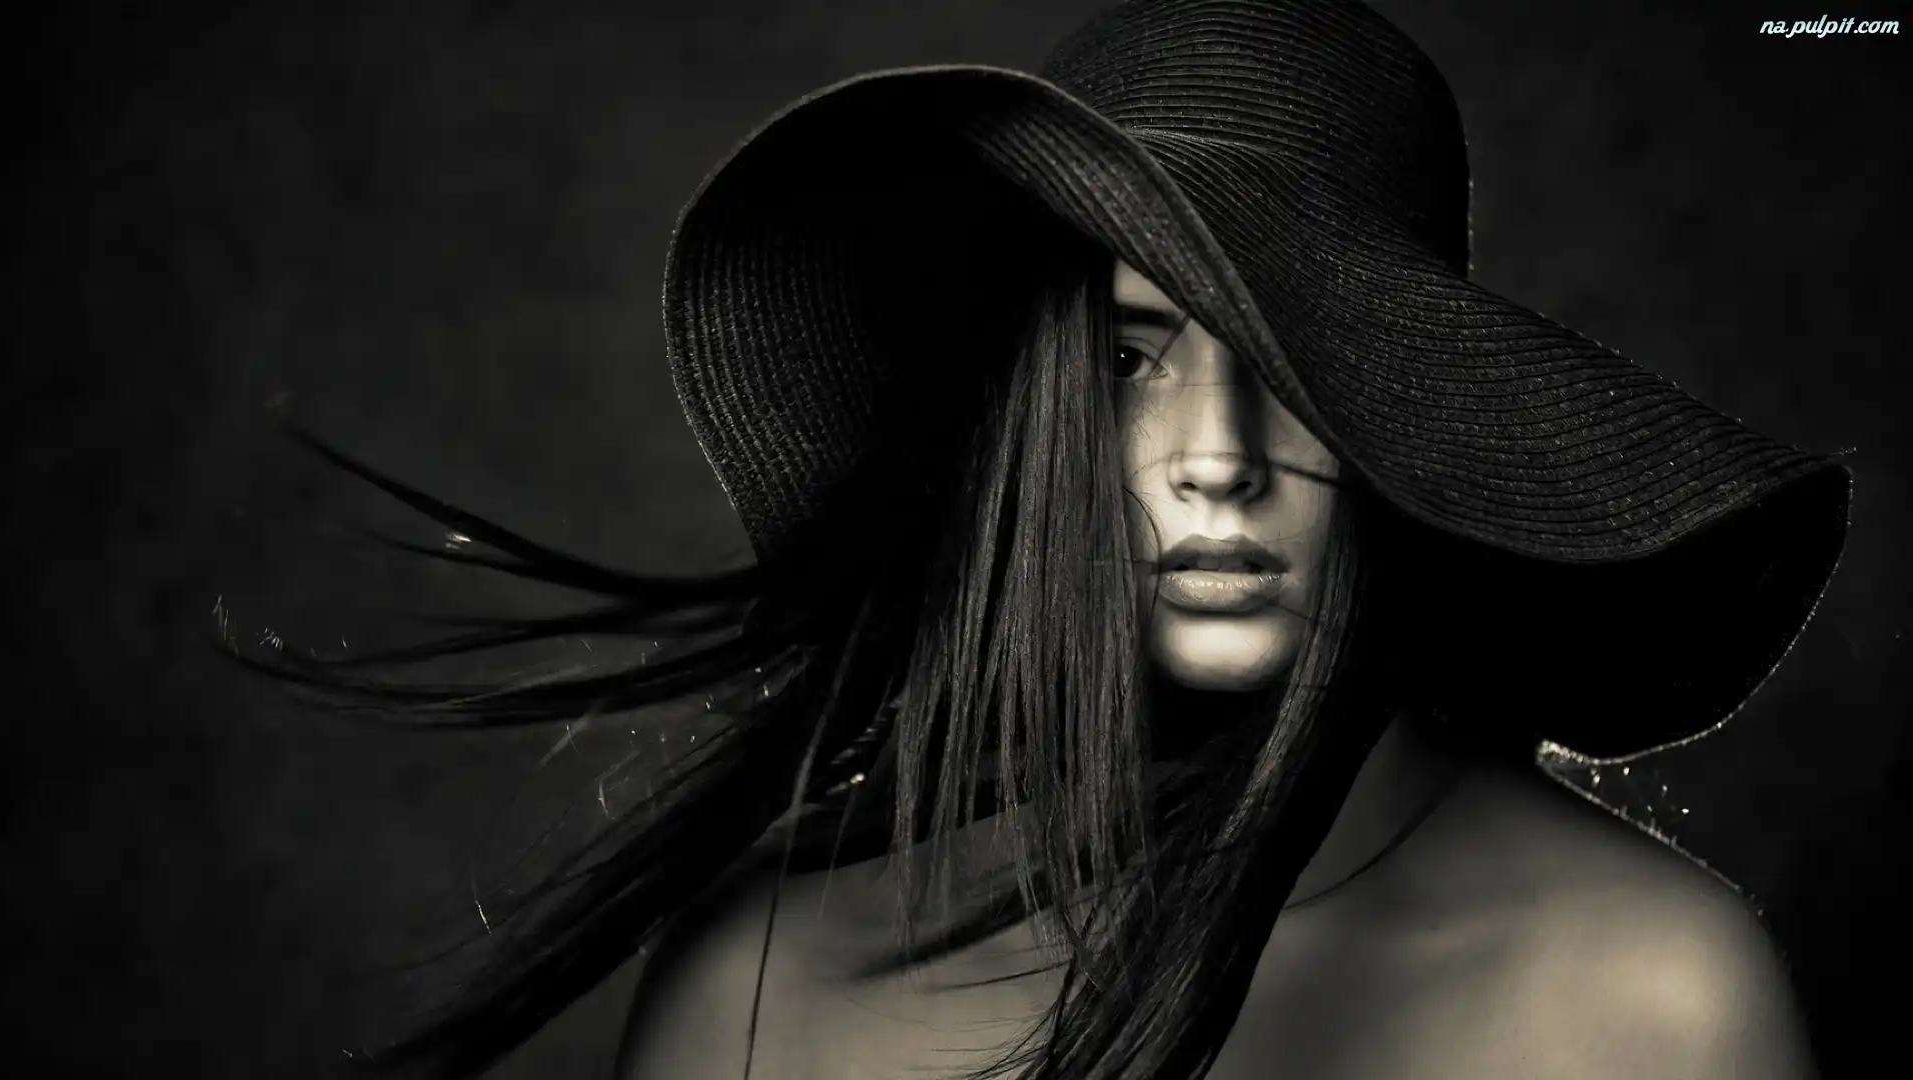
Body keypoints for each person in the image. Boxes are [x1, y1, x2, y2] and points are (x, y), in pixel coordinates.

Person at [252, 1, 1849, 1077]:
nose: (1215, 462)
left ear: (1423, 422)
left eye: (1300, 371)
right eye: (1130, 357)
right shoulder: (766, 987)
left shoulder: (1656, 999)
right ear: (1032, 415)